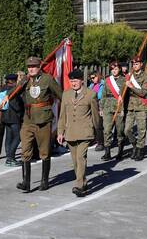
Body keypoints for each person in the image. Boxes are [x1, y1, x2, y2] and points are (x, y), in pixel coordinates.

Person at [15, 56, 62, 193]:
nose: (31, 69)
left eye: (34, 66)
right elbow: (16, 95)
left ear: (39, 67)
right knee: (25, 151)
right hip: (28, 120)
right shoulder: (25, 80)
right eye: (29, 67)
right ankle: (26, 182)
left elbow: (61, 95)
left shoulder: (47, 79)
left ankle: (44, 181)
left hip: (43, 120)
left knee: (44, 152)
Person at [57, 69, 100, 197]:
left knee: (81, 158)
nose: (73, 83)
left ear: (82, 80)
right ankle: (83, 181)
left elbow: (95, 115)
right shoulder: (66, 94)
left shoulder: (90, 94)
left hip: (85, 132)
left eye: (76, 81)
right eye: (71, 81)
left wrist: (97, 131)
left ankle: (79, 185)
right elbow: (62, 115)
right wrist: (60, 132)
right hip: (70, 132)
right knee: (75, 161)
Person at [124, 56, 147, 161]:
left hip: (141, 106)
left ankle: (140, 150)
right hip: (131, 106)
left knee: (141, 130)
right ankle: (135, 144)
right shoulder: (130, 76)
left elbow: (143, 92)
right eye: (133, 64)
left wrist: (131, 86)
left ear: (141, 64)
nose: (135, 66)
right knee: (127, 130)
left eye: (137, 64)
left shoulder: (146, 77)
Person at [100, 61, 125, 161]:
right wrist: (101, 108)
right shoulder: (107, 80)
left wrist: (123, 106)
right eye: (112, 69)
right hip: (107, 106)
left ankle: (120, 152)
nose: (114, 71)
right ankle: (107, 152)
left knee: (120, 130)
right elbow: (103, 95)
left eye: (115, 69)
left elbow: (126, 95)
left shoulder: (124, 80)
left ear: (119, 69)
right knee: (107, 130)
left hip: (119, 107)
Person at [0, 74, 24, 167]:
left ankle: (8, 156)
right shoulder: (14, 90)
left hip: (5, 116)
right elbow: (18, 104)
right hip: (14, 117)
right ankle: (11, 157)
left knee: (9, 137)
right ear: (14, 80)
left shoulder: (3, 88)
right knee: (18, 137)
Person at [88, 71, 104, 152]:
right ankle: (93, 139)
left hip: (100, 106)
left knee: (99, 125)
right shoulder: (91, 85)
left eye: (93, 77)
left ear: (98, 76)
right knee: (92, 124)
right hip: (92, 106)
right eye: (91, 78)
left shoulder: (103, 84)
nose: (92, 79)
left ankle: (100, 143)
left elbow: (100, 96)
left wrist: (101, 109)